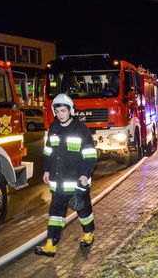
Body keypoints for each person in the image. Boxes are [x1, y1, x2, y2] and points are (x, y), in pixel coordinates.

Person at [35, 93, 97, 257]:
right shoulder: (53, 128)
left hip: (77, 181)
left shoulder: (81, 129)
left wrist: (85, 174)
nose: (61, 114)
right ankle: (50, 244)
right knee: (55, 214)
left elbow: (90, 154)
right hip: (58, 181)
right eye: (58, 111)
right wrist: (47, 169)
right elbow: (49, 151)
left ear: (70, 111)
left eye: (64, 110)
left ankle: (89, 234)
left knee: (84, 211)